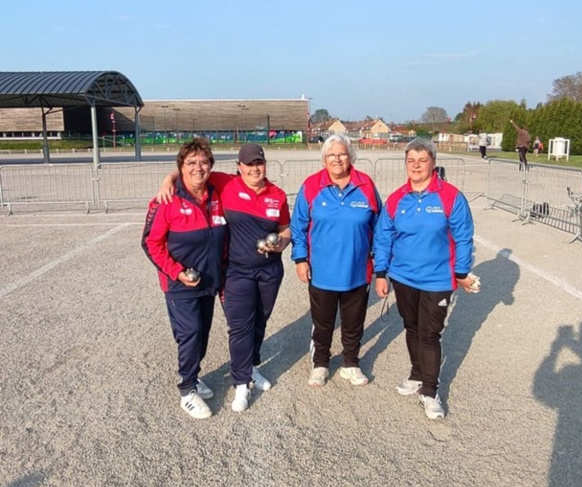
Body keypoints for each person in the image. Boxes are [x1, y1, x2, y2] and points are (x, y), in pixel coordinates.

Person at [157, 142, 291, 413]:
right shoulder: (227, 184)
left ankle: (250, 367)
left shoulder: (277, 194)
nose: (255, 169)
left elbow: (285, 228)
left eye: (259, 163)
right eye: (249, 164)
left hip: (269, 271)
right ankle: (240, 382)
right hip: (236, 271)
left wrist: (281, 243)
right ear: (238, 167)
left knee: (259, 322)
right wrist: (167, 180)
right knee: (239, 326)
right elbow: (190, 169)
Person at [373, 138, 477, 420]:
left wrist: (461, 272)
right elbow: (383, 238)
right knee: (412, 328)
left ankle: (430, 391)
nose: (416, 166)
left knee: (430, 334)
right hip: (404, 277)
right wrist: (381, 273)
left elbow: (464, 237)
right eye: (411, 161)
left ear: (433, 162)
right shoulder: (396, 199)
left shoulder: (451, 197)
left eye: (422, 160)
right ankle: (417, 374)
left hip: (437, 279)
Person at [142, 138, 227, 420]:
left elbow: (248, 177)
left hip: (209, 280)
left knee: (201, 334)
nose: (198, 168)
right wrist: (177, 272)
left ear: (211, 166)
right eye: (190, 163)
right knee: (189, 333)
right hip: (179, 283)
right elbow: (150, 244)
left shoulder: (216, 193)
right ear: (181, 167)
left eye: (203, 162)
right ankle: (187, 389)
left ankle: (194, 375)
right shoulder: (166, 200)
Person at [290, 134, 382, 387]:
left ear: (350, 156)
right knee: (323, 323)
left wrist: (381, 264)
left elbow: (381, 226)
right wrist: (300, 259)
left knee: (354, 323)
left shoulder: (365, 185)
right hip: (322, 271)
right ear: (324, 159)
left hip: (357, 270)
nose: (337, 159)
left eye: (342, 154)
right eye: (332, 155)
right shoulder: (310, 186)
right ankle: (320, 363)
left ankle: (351, 363)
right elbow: (298, 226)